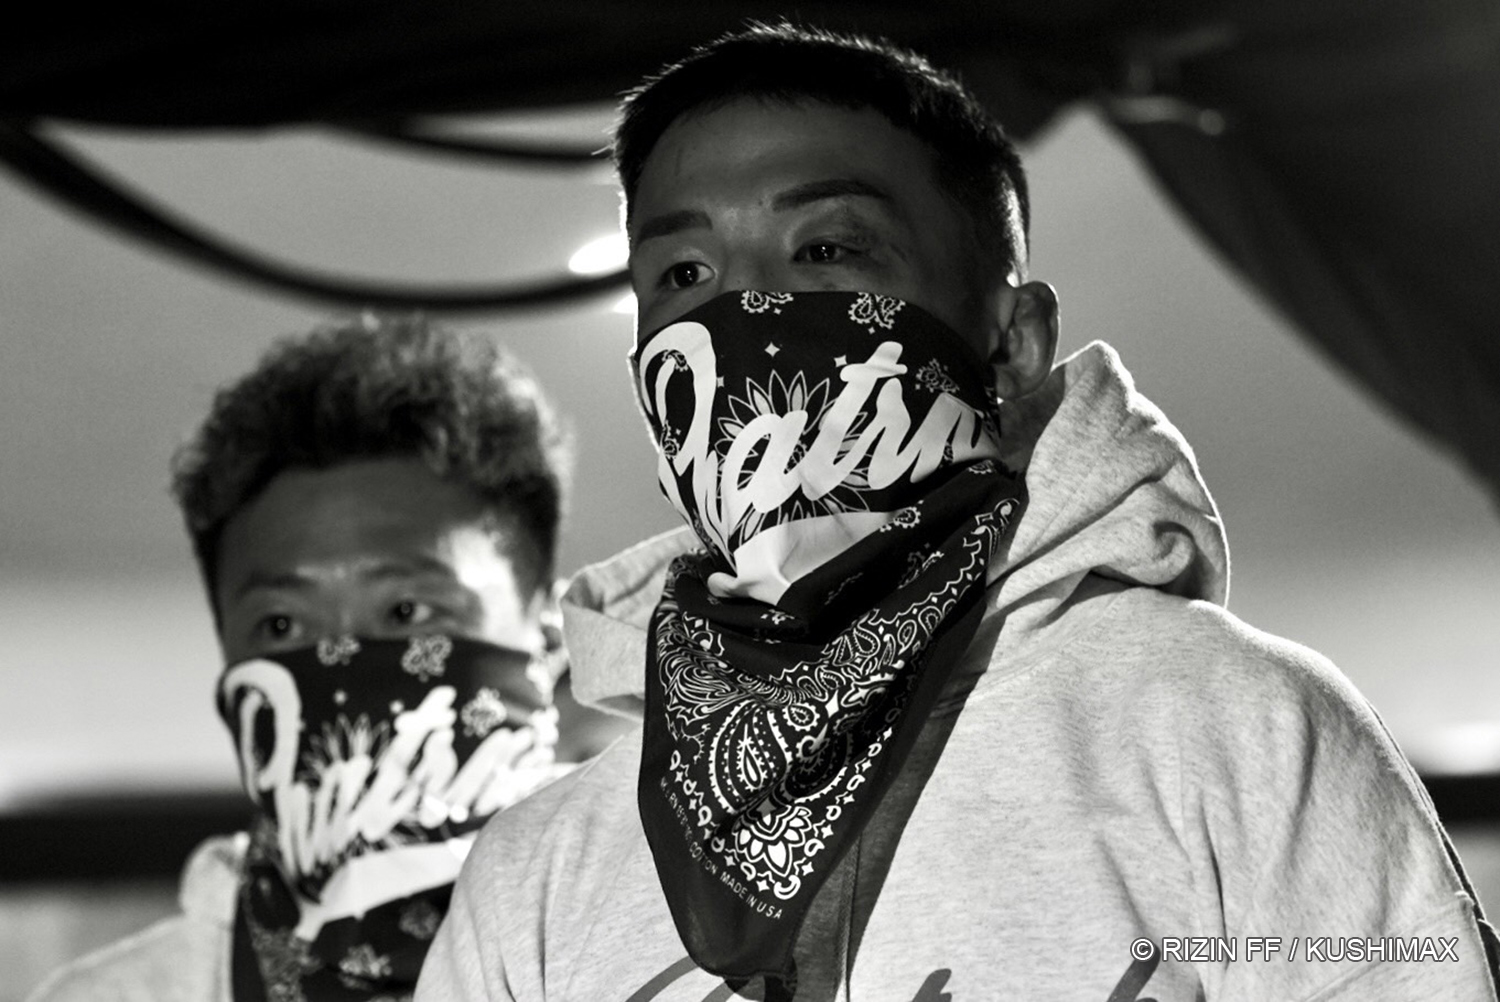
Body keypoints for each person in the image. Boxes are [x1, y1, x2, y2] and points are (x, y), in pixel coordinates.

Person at [417, 22, 1500, 1002]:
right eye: (684, 271)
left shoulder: (1232, 731)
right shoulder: (542, 872)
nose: (745, 312)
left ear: (1012, 342)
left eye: (828, 250)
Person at [28, 313, 628, 1002]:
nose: (341, 662)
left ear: (547, 642)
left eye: (407, 612)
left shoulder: (683, 950)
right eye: (282, 623)